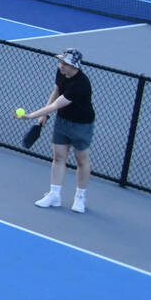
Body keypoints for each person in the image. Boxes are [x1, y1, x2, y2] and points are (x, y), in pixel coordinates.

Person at [22, 49, 94, 213]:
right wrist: (45, 115)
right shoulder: (61, 73)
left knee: (82, 160)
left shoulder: (80, 84)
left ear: (74, 66)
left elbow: (56, 105)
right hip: (62, 122)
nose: (60, 65)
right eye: (60, 62)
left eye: (64, 63)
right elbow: (56, 92)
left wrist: (31, 116)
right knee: (59, 156)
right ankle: (55, 195)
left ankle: (80, 197)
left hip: (81, 125)